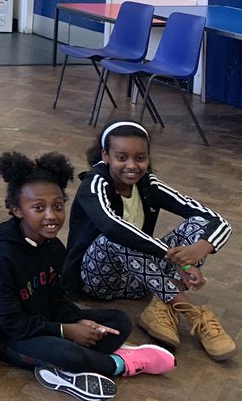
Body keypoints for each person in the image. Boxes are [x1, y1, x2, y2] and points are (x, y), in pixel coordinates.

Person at [0, 151, 175, 401]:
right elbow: (9, 323)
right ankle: (118, 364)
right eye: (38, 208)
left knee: (119, 321)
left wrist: (79, 321)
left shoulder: (53, 247)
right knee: (67, 352)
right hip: (4, 337)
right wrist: (65, 330)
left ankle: (62, 371)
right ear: (17, 210)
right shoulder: (0, 255)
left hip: (42, 321)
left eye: (57, 207)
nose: (51, 216)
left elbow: (56, 299)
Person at [63, 121, 234, 362]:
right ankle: (193, 312)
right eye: (121, 157)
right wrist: (181, 262)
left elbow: (217, 221)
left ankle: (159, 307)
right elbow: (113, 227)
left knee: (197, 225)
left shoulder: (148, 184)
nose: (132, 166)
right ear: (105, 155)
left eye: (140, 158)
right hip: (96, 281)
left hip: (140, 276)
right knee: (117, 238)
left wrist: (198, 250)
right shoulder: (94, 183)